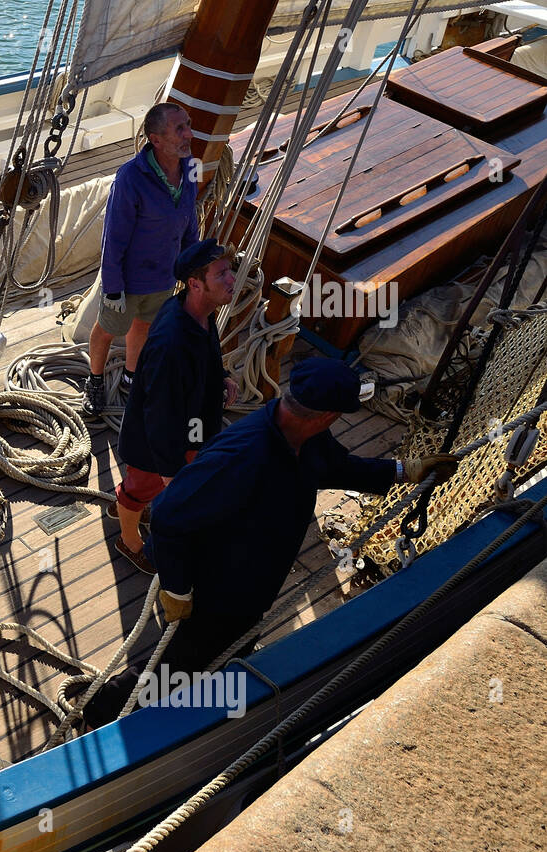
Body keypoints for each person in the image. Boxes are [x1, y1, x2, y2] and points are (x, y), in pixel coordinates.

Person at [84, 357, 459, 728]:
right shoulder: (240, 454)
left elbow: (338, 466)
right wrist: (178, 591)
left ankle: (212, 698)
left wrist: (403, 471)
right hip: (217, 589)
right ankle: (102, 711)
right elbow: (166, 515)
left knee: (231, 649)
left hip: (255, 584)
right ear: (328, 416)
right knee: (182, 664)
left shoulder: (307, 439)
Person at [112, 238, 240, 574]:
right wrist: (170, 472)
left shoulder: (198, 311)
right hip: (156, 446)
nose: (232, 279)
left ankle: (129, 502)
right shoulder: (172, 344)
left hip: (187, 432)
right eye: (222, 274)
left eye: (230, 270)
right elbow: (160, 415)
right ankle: (129, 540)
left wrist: (221, 377)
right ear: (196, 283)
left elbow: (207, 356)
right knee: (140, 491)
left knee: (141, 489)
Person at [83, 102, 199, 416]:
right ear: (155, 140)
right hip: (129, 281)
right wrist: (113, 289)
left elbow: (190, 223)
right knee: (107, 329)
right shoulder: (130, 179)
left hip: (164, 277)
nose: (189, 133)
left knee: (144, 327)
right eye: (179, 129)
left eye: (187, 124)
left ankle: (133, 377)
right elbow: (113, 240)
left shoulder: (190, 169)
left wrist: (192, 269)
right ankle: (94, 380)